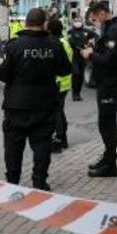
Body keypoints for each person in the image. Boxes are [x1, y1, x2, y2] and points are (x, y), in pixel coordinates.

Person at [0, 8, 72, 190]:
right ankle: (39, 182)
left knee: (13, 147)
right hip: (45, 104)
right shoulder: (54, 45)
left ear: (26, 23)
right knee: (42, 146)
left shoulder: (14, 45)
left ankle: (13, 182)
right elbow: (65, 70)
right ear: (44, 24)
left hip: (17, 105)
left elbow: (2, 74)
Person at [81, 1, 117, 177]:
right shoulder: (110, 28)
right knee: (104, 123)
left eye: (95, 18)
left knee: (107, 124)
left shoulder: (115, 30)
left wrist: (90, 54)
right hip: (106, 82)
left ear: (102, 13)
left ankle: (110, 164)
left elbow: (109, 60)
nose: (95, 22)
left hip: (111, 84)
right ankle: (108, 157)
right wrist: (94, 48)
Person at [47, 18, 73, 152]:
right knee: (60, 111)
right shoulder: (65, 42)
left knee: (56, 112)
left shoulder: (56, 43)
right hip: (65, 82)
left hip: (57, 82)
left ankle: (59, 139)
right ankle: (63, 139)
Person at [67, 15, 98, 101]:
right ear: (73, 22)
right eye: (76, 20)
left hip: (83, 57)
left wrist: (90, 44)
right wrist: (81, 49)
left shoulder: (86, 31)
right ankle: (74, 93)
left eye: (79, 20)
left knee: (81, 76)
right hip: (75, 56)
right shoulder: (70, 32)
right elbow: (71, 43)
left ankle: (78, 94)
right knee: (76, 74)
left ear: (82, 21)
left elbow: (96, 36)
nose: (78, 22)